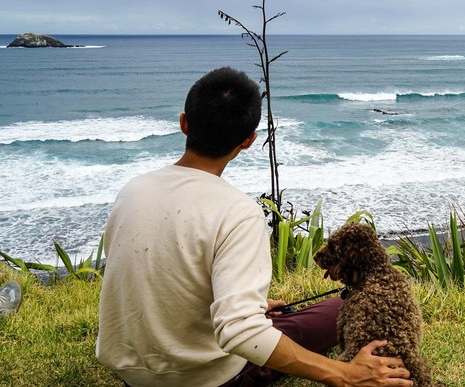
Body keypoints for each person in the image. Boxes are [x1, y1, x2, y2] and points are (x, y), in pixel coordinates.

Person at [96, 67, 412, 387]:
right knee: (338, 308)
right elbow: (241, 333)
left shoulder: (133, 190)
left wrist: (248, 307)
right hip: (209, 378)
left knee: (276, 319)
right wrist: (343, 374)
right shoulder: (237, 212)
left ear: (184, 123)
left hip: (133, 374)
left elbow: (151, 273)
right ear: (248, 141)